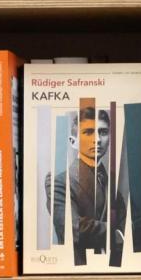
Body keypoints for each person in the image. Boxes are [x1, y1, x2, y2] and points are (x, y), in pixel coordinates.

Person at [43, 108, 122, 263]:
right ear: (73, 142)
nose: (97, 139)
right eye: (88, 132)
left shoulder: (111, 179)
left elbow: (131, 221)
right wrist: (117, 233)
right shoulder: (59, 181)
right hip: (78, 268)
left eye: (103, 132)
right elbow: (74, 229)